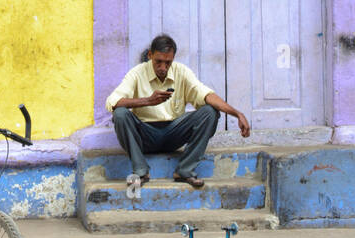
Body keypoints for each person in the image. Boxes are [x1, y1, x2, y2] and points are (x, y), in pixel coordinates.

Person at [105, 34, 251, 190]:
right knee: (120, 114)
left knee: (210, 112)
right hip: (145, 136)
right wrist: (147, 101)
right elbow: (112, 102)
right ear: (150, 55)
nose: (163, 68)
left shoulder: (181, 72)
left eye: (167, 63)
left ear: (173, 58)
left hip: (174, 133)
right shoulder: (136, 73)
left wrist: (237, 114)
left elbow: (206, 95)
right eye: (158, 62)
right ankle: (140, 171)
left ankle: (185, 170)